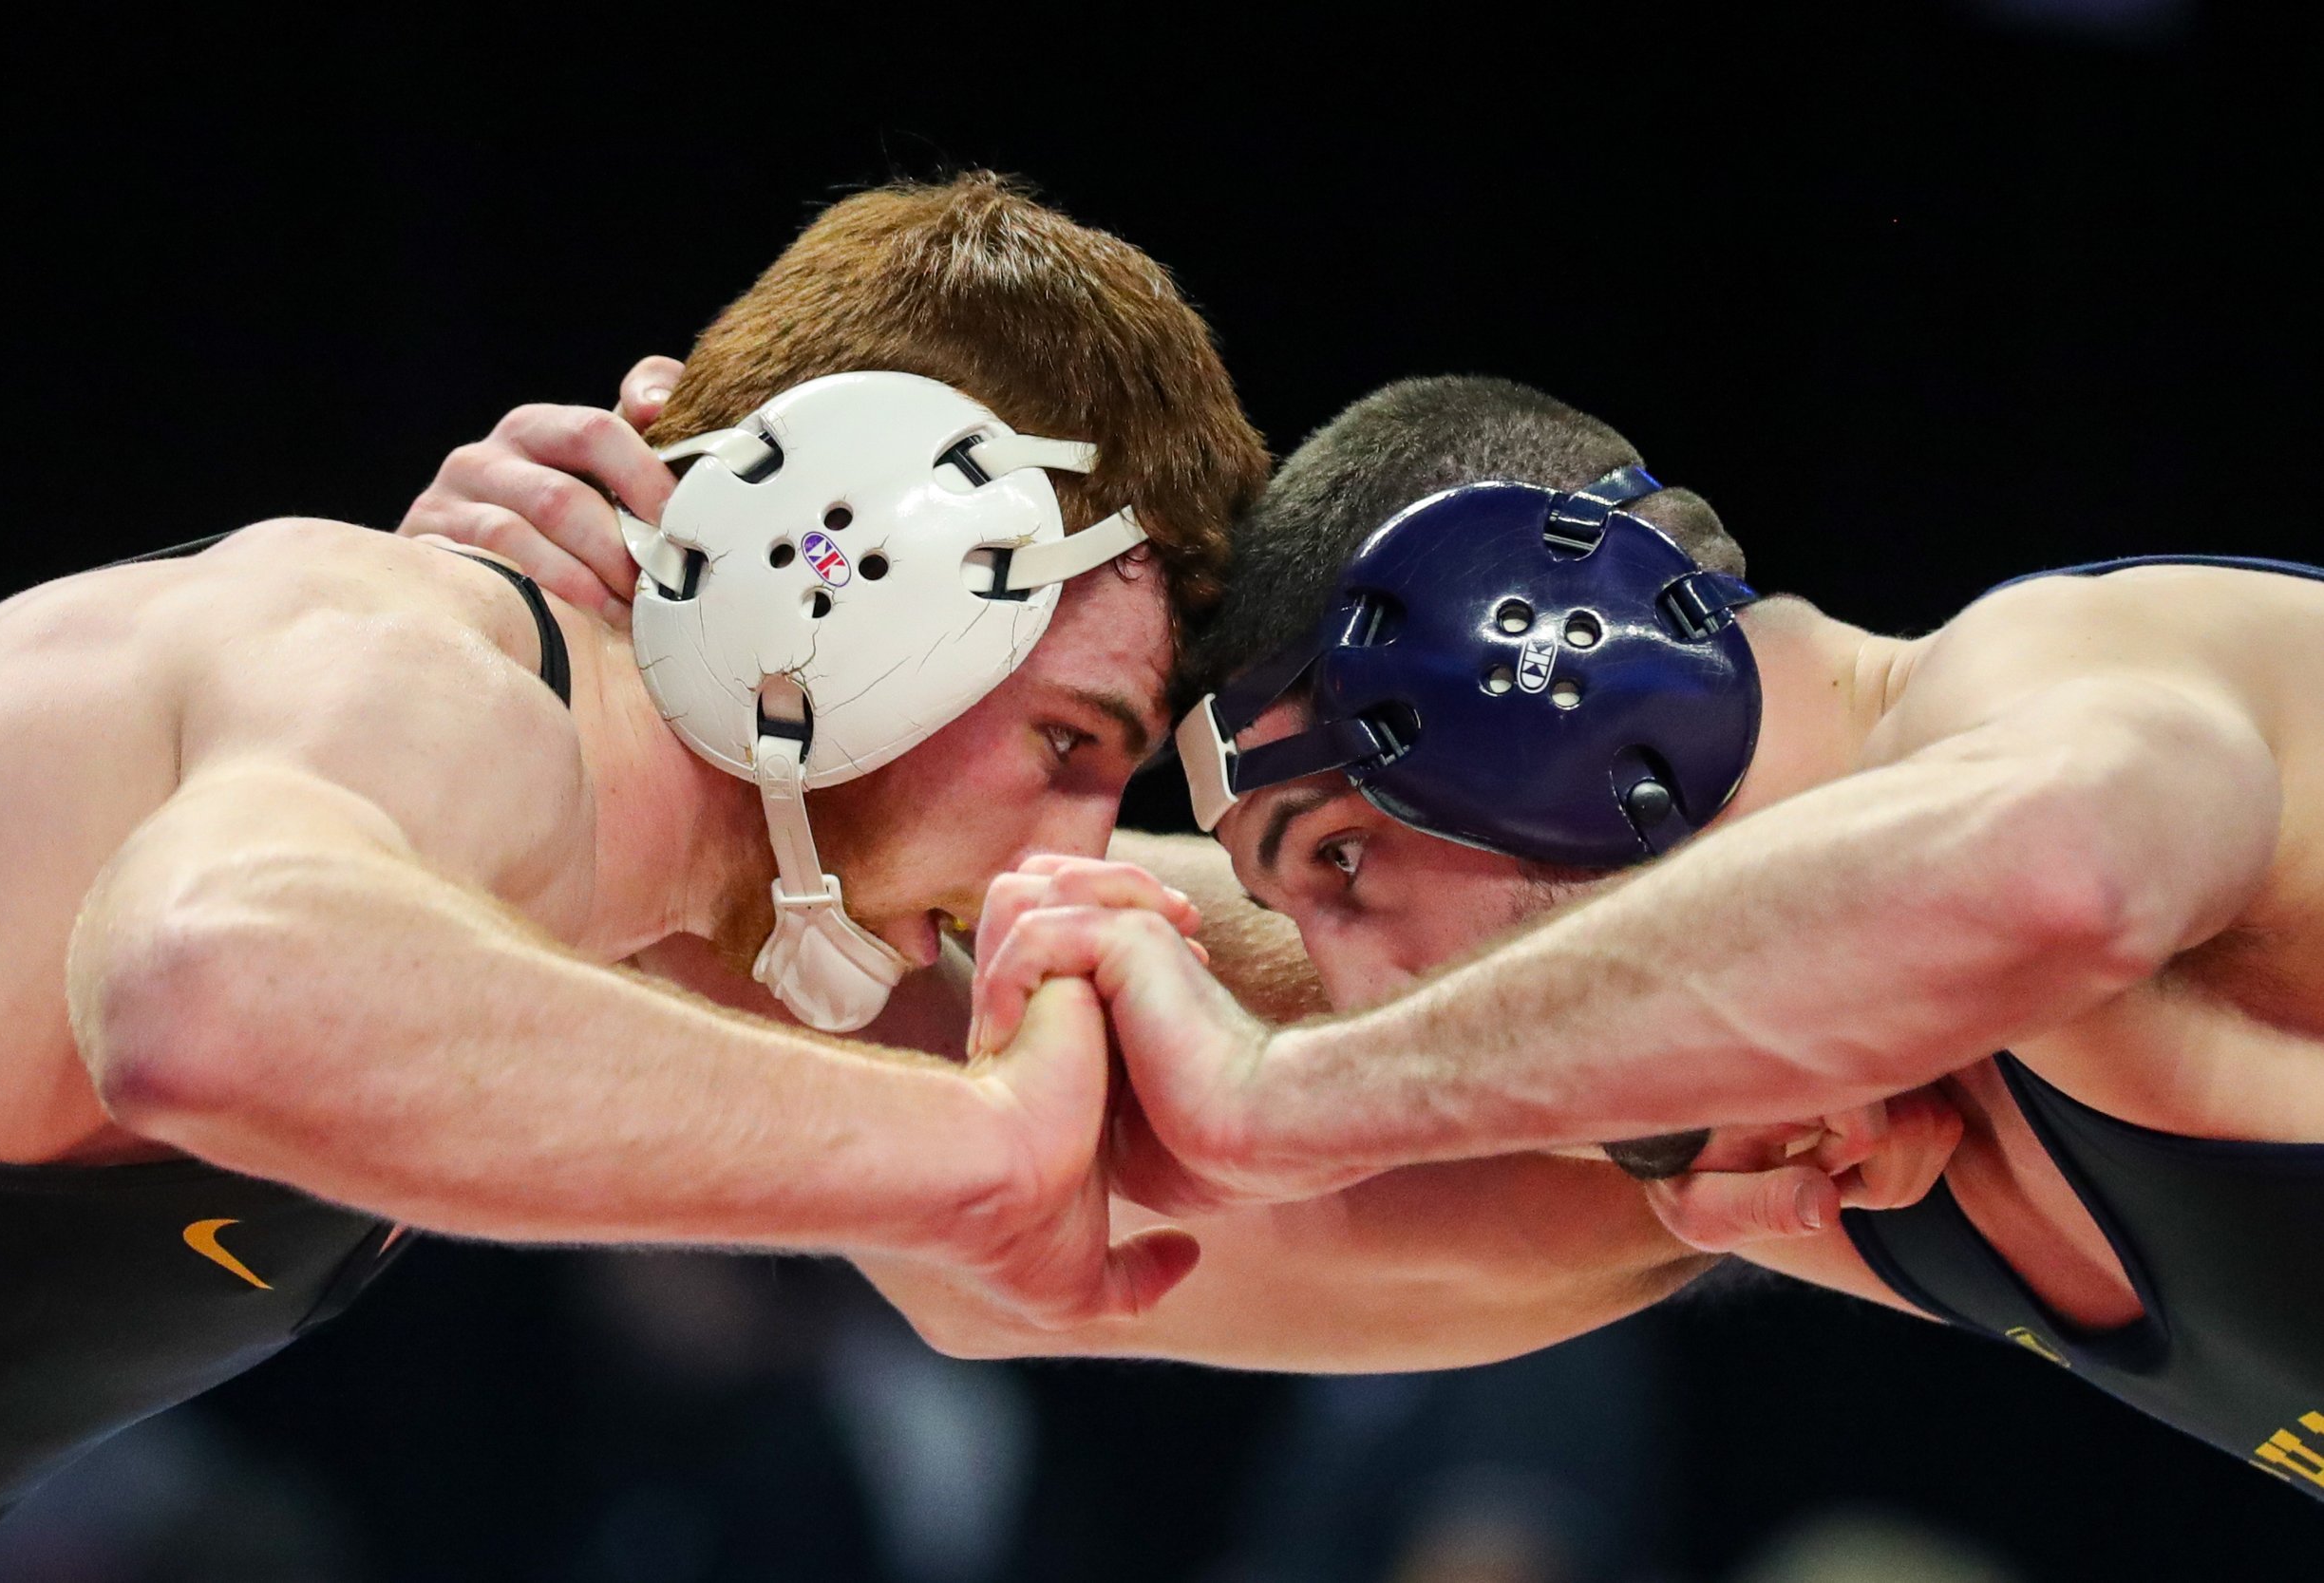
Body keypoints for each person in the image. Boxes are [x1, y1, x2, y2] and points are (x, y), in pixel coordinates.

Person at [0, 173, 1270, 1552]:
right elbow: (210, 994)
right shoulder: (408, 660)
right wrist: (979, 1147)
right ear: (853, 569)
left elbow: (1194, 1217)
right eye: (1068, 744)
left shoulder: (665, 892)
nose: (1051, 860)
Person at [952, 374, 2324, 1498]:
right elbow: (997, 1281)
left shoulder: (2073, 659)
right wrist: (835, 875)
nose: (1363, 991)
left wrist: (1285, 1096)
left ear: (1554, 676)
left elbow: (2063, 868)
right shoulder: (1810, 1156)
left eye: (1342, 858)